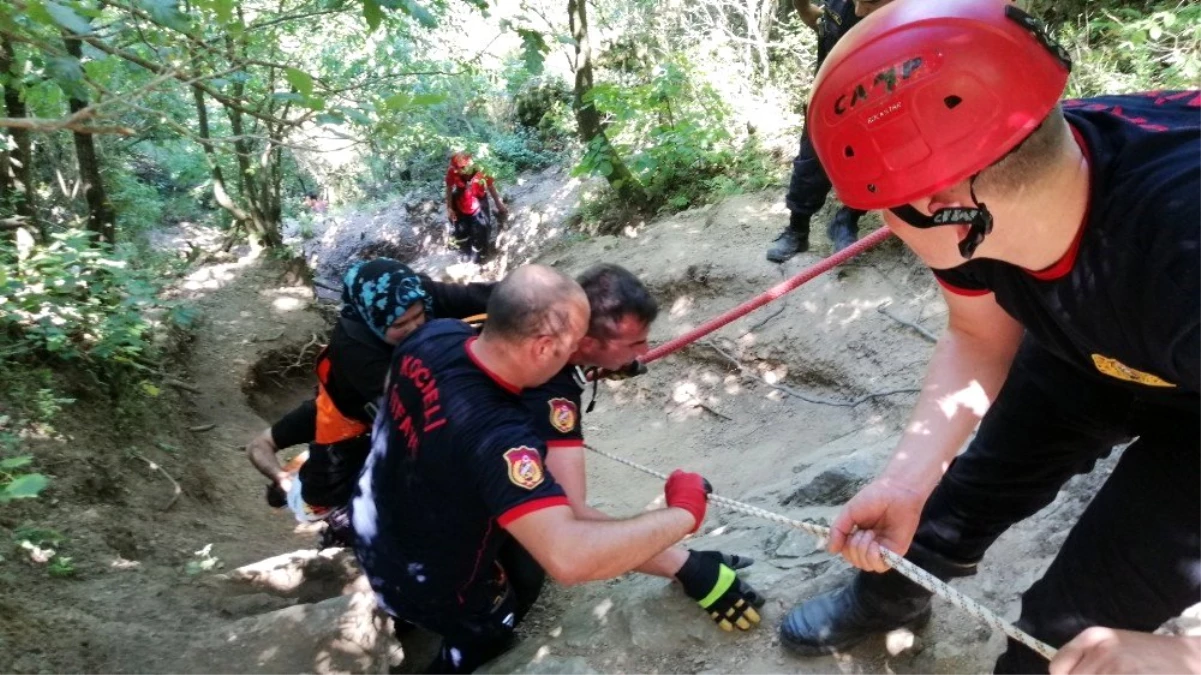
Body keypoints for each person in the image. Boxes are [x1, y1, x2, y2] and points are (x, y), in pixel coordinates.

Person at [777, 1, 1201, 672]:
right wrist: (905, 480)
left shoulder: (1183, 254)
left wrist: (1183, 655)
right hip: (1092, 336)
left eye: (877, 201)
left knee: (1073, 628)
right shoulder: (1013, 164)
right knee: (957, 498)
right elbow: (977, 330)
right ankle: (890, 596)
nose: (879, 221)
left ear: (947, 207)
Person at [352, 264, 715, 673]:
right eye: (576, 342)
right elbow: (569, 556)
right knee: (487, 628)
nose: (578, 354)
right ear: (543, 348)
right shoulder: (501, 439)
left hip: (371, 526)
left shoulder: (433, 336)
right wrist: (683, 514)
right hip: (429, 579)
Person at [526, 263, 765, 632]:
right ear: (586, 343)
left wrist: (603, 362)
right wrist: (685, 566)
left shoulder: (529, 320)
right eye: (635, 344)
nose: (646, 351)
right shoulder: (549, 397)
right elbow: (570, 522)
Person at [246, 258, 492, 543]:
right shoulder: (353, 351)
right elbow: (258, 446)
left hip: (369, 408)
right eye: (402, 325)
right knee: (316, 504)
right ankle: (340, 522)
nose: (416, 326)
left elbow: (495, 296)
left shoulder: (412, 296)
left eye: (419, 316)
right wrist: (282, 481)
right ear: (373, 322)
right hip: (347, 427)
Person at [766, 0, 887, 262]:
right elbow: (818, 18)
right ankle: (797, 230)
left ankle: (847, 221)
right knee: (812, 160)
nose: (859, 10)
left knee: (873, 162)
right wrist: (803, 9)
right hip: (828, 92)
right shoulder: (845, 7)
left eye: (868, 3)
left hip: (879, 94)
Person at [446, 152, 508, 264]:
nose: (459, 171)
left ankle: (478, 255)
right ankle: (464, 252)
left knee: (481, 229)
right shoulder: (452, 171)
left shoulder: (481, 169)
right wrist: (449, 207)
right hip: (460, 203)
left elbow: (490, 186)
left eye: (461, 168)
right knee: (461, 230)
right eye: (457, 168)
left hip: (478, 202)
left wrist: (498, 204)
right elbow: (449, 188)